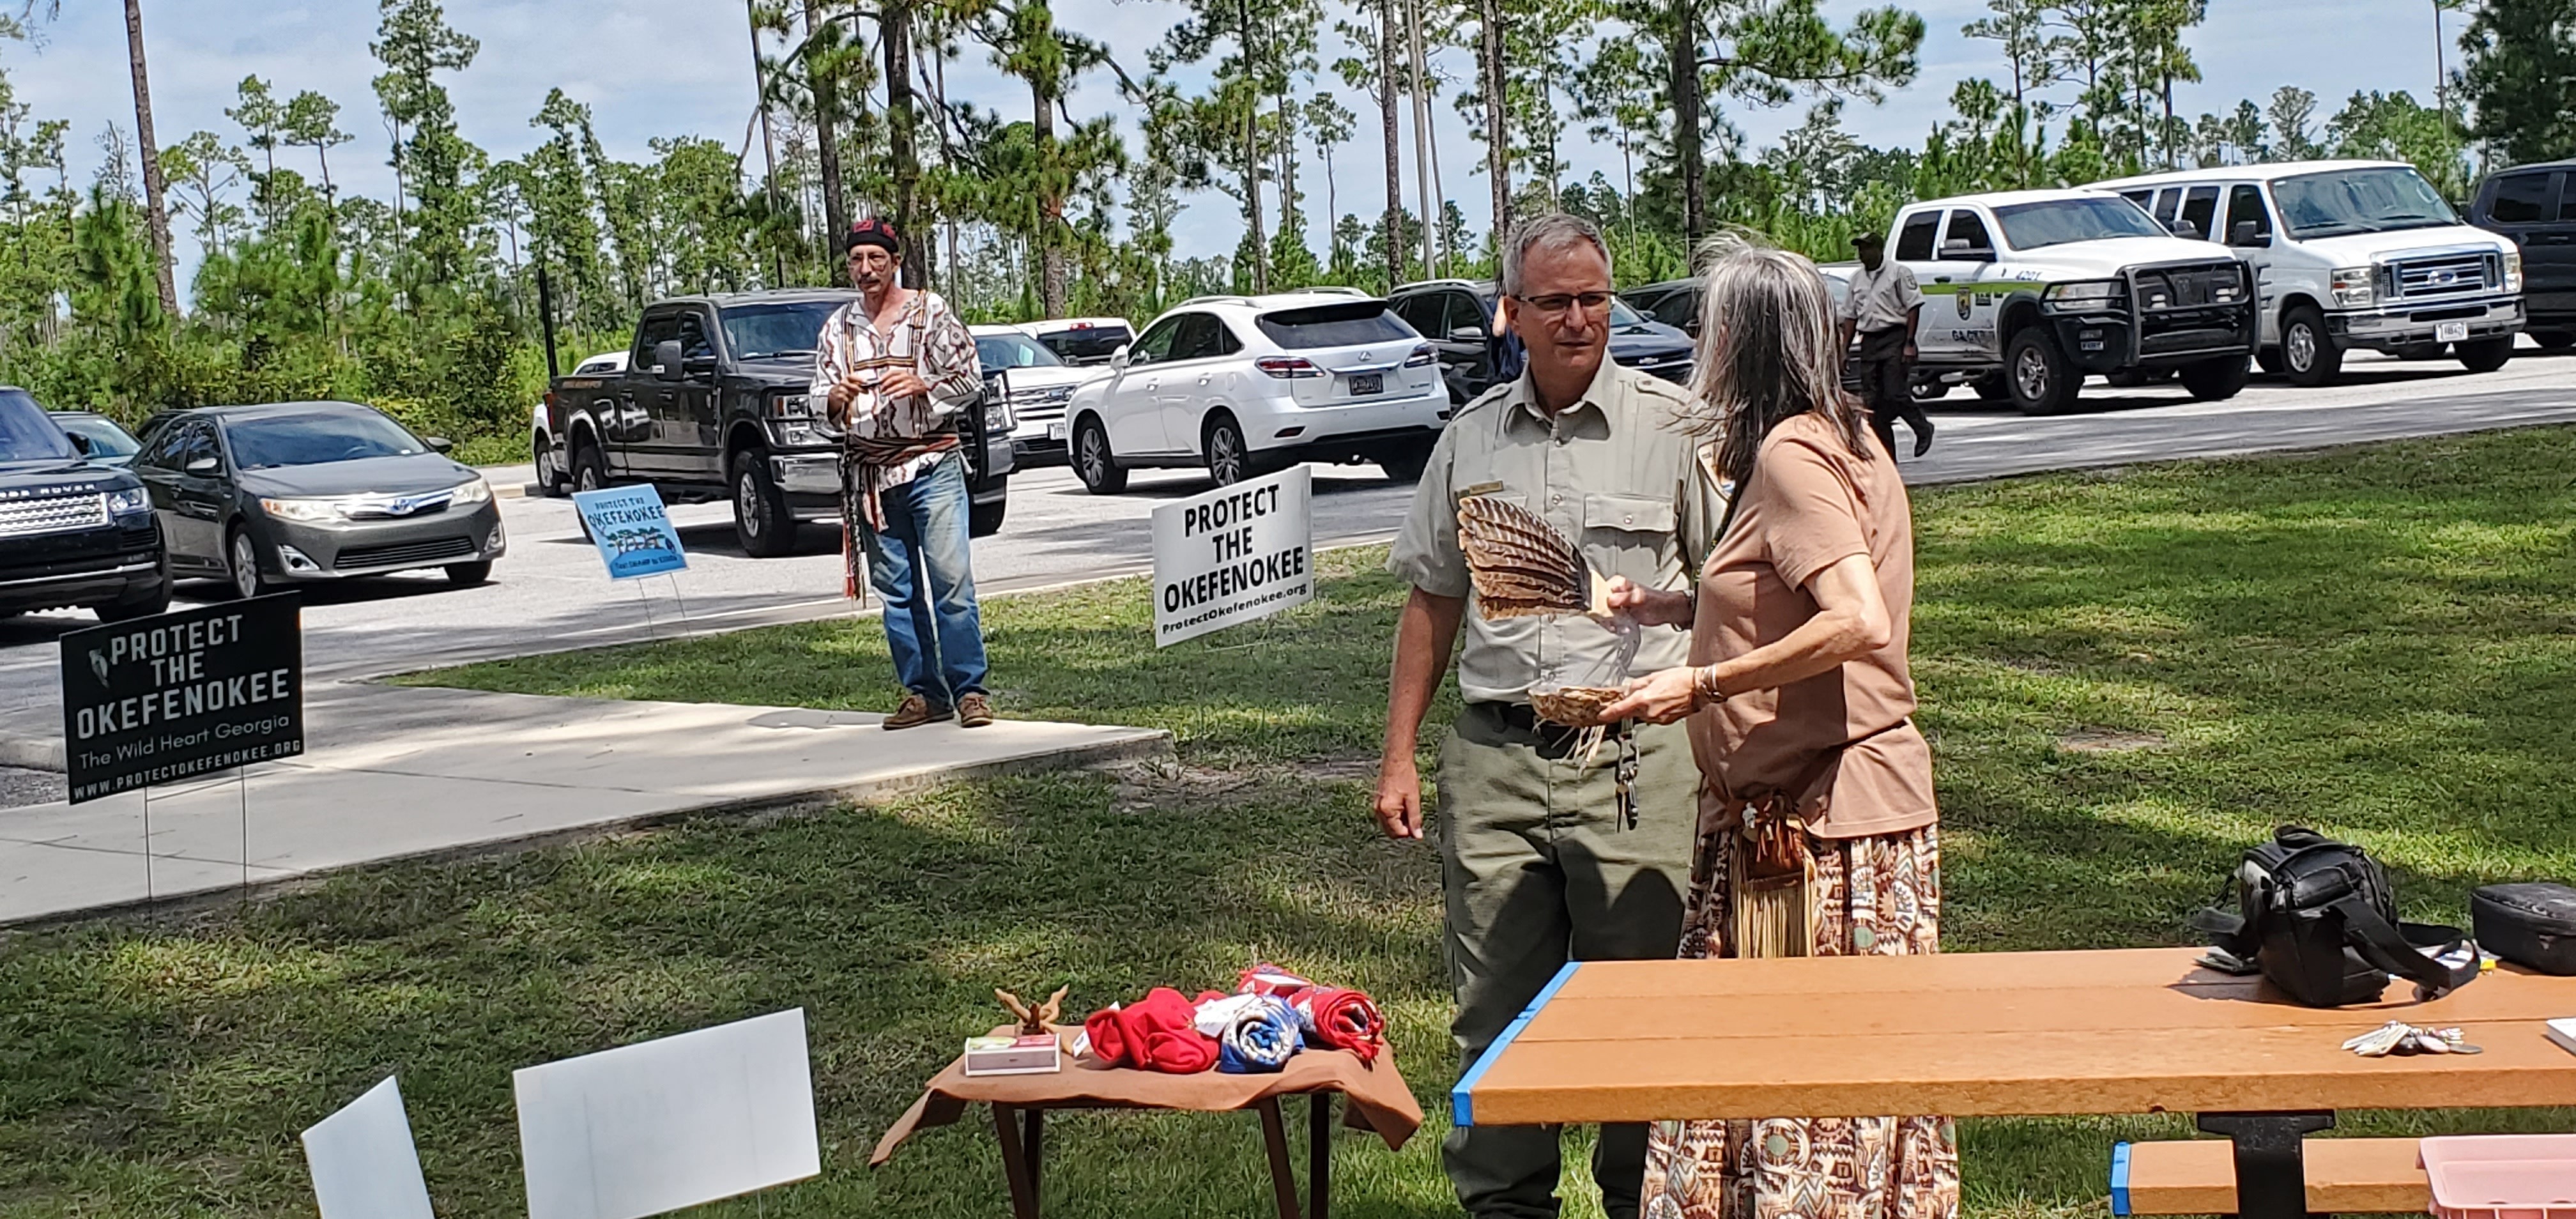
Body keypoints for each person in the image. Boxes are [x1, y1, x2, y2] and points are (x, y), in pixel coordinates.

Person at [1378, 213, 1724, 1219]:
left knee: (1642, 1012)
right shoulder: (1470, 439)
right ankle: (1505, 1205)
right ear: (1512, 314)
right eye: (1555, 302)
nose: (1579, 320)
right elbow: (1433, 601)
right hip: (1496, 759)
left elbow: (1737, 592)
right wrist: (1398, 754)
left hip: (1637, 762)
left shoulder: (1674, 429)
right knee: (1493, 1014)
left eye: (1593, 299)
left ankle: (1641, 1201)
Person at [1599, 245, 1956, 1219]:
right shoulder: (1846, 438)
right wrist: (1679, 608)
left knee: (1803, 1110)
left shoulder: (1795, 455)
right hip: (1820, 821)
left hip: (1817, 839)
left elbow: (1854, 617)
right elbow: (1788, 590)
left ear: (1739, 345)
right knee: (1833, 1098)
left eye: (1711, 328)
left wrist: (1702, 680)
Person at [812, 217, 995, 730]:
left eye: (875, 258)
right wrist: (834, 400)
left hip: (931, 462)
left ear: (896, 261)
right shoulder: (839, 328)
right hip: (872, 475)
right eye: (856, 259)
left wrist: (923, 384)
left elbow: (971, 378)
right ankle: (922, 693)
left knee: (951, 582)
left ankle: (970, 691)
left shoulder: (929, 312)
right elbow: (817, 396)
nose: (865, 269)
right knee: (897, 591)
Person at [1837, 231, 1933, 459]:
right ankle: (1887, 458)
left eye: (1867, 248)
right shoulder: (1856, 280)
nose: (1863, 254)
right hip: (1870, 340)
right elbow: (1850, 316)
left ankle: (1922, 427)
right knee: (1872, 405)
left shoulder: (1898, 274)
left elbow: (1913, 307)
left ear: (1879, 250)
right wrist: (1844, 351)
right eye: (1860, 249)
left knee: (1894, 393)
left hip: (1895, 337)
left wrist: (1909, 343)